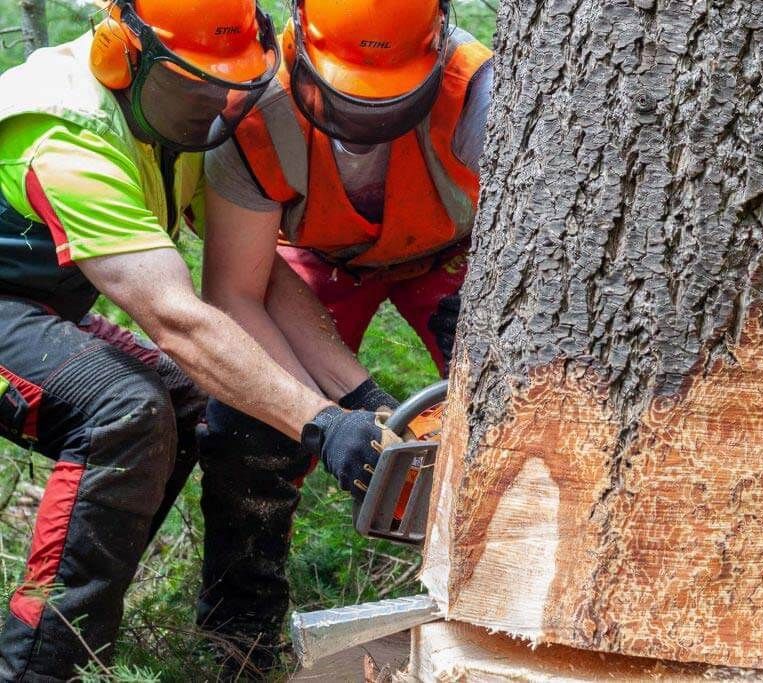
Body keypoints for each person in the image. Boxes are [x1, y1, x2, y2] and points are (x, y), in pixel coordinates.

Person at [0, 0, 395, 678]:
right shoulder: (65, 130)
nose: (213, 102)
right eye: (193, 83)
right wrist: (321, 425)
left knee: (181, 400)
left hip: (30, 303)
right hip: (16, 304)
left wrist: (361, 397)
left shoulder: (181, 127)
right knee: (124, 410)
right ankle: (35, 667)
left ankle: (139, 640)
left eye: (226, 84)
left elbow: (256, 276)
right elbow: (176, 318)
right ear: (122, 56)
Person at [198, 0, 493, 668]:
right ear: (299, 35)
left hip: (457, 251)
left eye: (387, 104)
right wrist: (340, 410)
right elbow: (238, 292)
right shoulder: (256, 109)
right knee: (246, 422)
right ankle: (238, 637)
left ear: (438, 42)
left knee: (519, 409)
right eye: (349, 101)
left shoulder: (478, 88)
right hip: (319, 259)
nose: (366, 124)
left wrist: (502, 311)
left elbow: (554, 224)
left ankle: (503, 598)